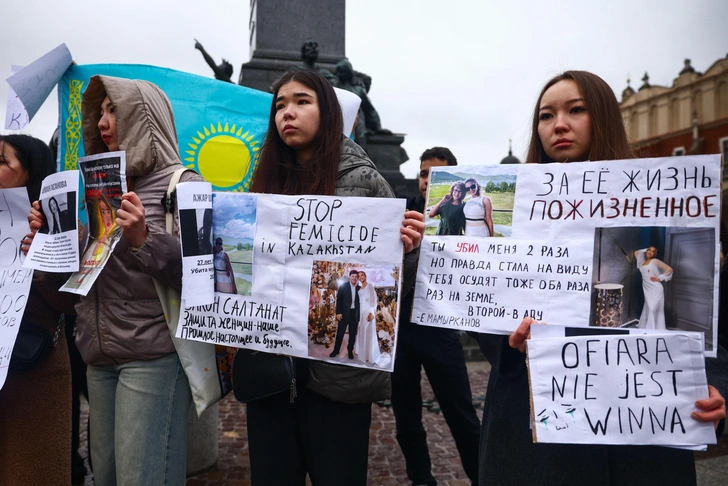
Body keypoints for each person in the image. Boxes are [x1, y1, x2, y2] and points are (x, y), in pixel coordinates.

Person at [476, 70, 726, 486]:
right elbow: (481, 313)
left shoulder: (662, 199)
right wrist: (507, 339)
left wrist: (717, 388)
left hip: (640, 435)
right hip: (535, 434)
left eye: (576, 110)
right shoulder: (514, 214)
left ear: (605, 117)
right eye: (545, 115)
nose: (558, 124)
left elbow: (716, 325)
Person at [244, 69, 425, 486]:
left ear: (328, 111)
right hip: (272, 373)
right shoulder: (263, 181)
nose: (287, 112)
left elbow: (393, 286)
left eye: (302, 101)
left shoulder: (365, 182)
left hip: (338, 382)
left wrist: (409, 251)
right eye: (280, 105)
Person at [28, 75, 204, 485]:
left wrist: (145, 238)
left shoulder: (186, 184)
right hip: (98, 357)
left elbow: (205, 275)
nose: (102, 122)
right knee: (106, 478)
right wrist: (47, 247)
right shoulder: (95, 189)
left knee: (143, 478)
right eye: (99, 112)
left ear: (144, 117)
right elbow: (74, 292)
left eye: (114, 110)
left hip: (153, 357)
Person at [394, 147, 481, 486]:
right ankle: (420, 479)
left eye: (435, 174)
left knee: (462, 416)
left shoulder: (462, 215)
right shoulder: (403, 214)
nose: (426, 180)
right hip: (400, 331)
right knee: (406, 418)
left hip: (439, 329)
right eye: (423, 173)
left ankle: (481, 476)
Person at [0, 134, 76, 485]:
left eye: (2, 161)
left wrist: (42, 258)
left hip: (33, 375)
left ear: (29, 173)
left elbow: (69, 303)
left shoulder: (53, 225)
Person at [635, 246, 673, 330]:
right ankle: (647, 327)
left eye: (652, 251)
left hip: (655, 288)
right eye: (649, 250)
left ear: (654, 254)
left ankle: (652, 328)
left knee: (652, 308)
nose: (650, 252)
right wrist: (645, 249)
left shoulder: (655, 261)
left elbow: (669, 269)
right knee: (648, 307)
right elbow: (636, 253)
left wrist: (660, 278)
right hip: (646, 287)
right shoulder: (642, 262)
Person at [331, 270, 361, 359]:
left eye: (356, 276)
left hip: (354, 313)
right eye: (353, 276)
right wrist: (338, 312)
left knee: (352, 334)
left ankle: (350, 350)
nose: (354, 278)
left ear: (357, 278)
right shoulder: (343, 286)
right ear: (349, 277)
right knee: (340, 333)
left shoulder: (359, 288)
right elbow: (339, 300)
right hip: (343, 313)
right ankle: (336, 350)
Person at [355, 270, 381, 365]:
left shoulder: (369, 286)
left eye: (362, 275)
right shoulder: (360, 288)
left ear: (365, 276)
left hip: (368, 310)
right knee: (362, 332)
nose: (360, 277)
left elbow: (374, 299)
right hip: (361, 311)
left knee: (368, 332)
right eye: (359, 276)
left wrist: (371, 312)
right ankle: (363, 355)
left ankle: (370, 355)